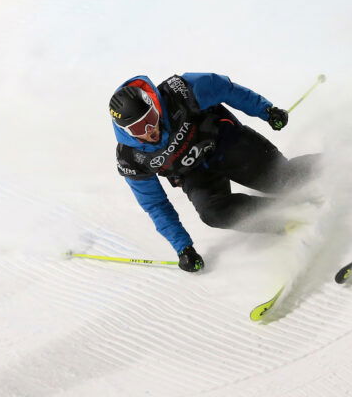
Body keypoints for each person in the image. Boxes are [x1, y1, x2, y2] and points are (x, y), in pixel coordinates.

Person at [109, 73, 318, 273]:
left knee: (284, 182)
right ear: (126, 131)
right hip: (195, 174)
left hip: (226, 143)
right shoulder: (131, 158)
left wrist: (266, 111)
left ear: (154, 105)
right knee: (214, 213)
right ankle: (289, 220)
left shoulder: (179, 92)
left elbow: (225, 88)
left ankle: (338, 162)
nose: (150, 129)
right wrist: (183, 248)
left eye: (151, 117)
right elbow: (155, 205)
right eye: (138, 128)